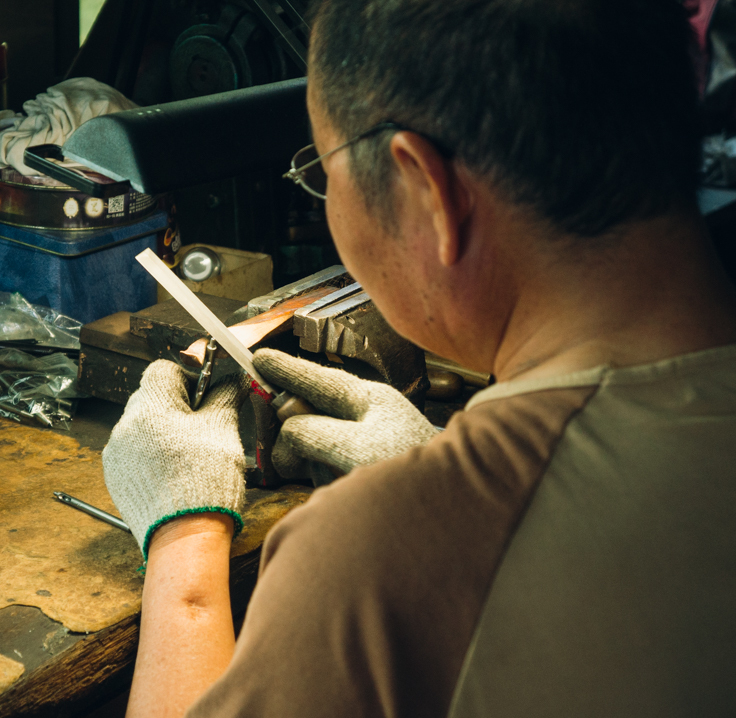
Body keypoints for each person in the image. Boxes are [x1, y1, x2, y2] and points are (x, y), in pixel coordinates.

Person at [101, 0, 736, 716]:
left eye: (323, 172)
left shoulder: (367, 564)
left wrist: (184, 543)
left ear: (424, 188)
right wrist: (447, 474)